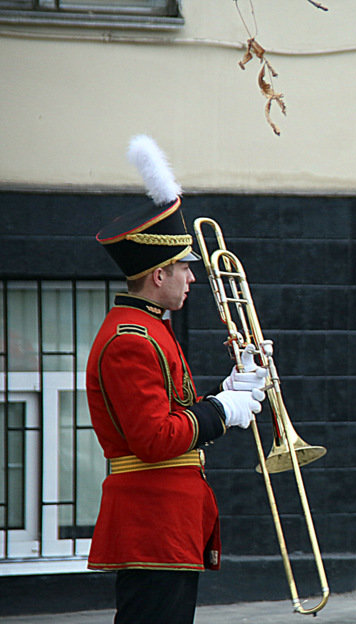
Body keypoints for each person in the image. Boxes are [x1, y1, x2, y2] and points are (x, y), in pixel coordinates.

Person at [85, 135, 267, 624]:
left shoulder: (148, 330)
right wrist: (221, 412)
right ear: (157, 273)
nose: (192, 278)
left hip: (166, 518)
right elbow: (153, 437)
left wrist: (229, 393)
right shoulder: (131, 339)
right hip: (152, 520)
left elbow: (172, 412)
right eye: (184, 268)